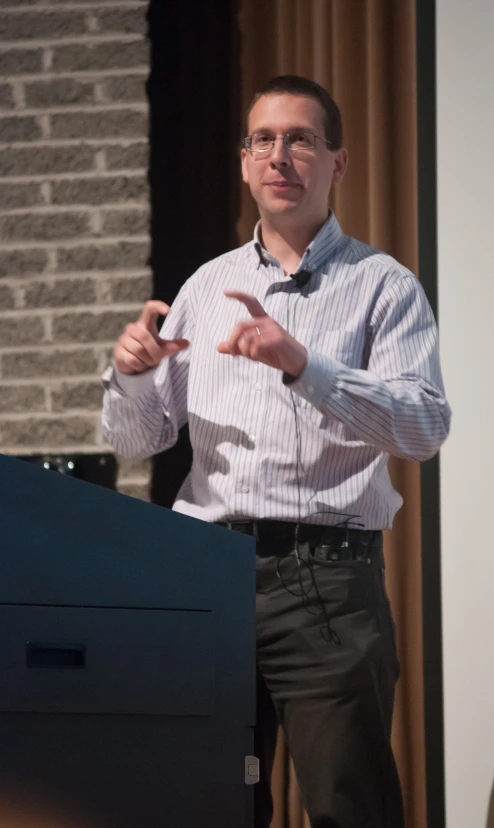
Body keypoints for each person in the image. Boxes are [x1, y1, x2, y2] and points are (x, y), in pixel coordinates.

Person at [102, 75, 451, 828]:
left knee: (346, 807)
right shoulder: (207, 285)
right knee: (208, 803)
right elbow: (142, 439)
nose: (279, 155)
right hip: (208, 578)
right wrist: (131, 378)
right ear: (244, 162)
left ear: (338, 162)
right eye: (263, 140)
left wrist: (305, 365)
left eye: (300, 139)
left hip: (329, 584)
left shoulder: (382, 287)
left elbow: (423, 428)